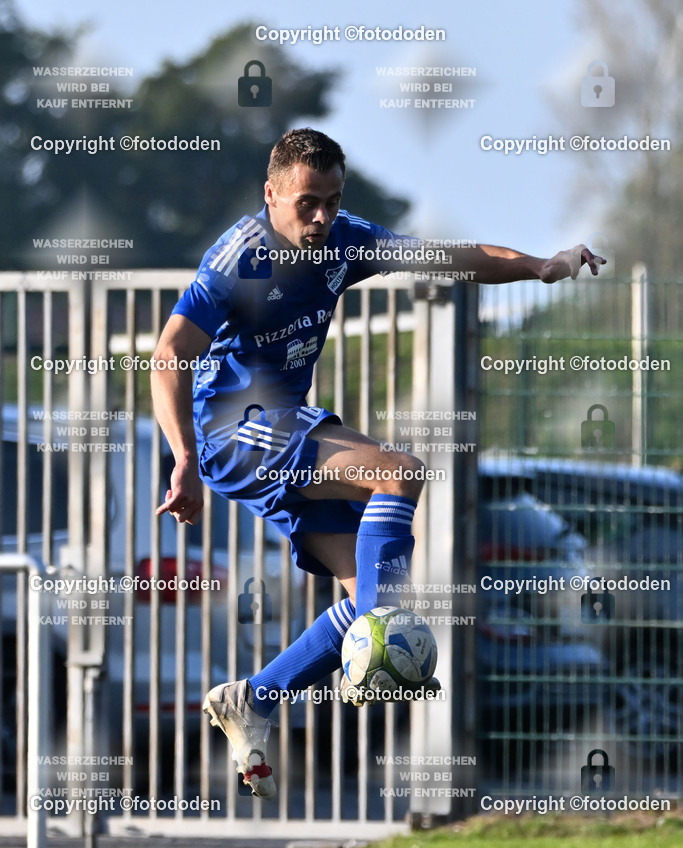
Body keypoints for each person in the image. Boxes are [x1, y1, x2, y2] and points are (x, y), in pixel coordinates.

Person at [151, 127, 605, 800]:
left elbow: (451, 257)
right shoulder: (238, 258)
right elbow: (169, 354)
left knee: (368, 593)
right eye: (307, 202)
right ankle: (381, 639)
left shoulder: (346, 239)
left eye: (332, 201)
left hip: (284, 430)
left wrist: (540, 265)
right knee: (399, 473)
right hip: (235, 431)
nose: (321, 217)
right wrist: (183, 457)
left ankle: (256, 697)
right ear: (271, 194)